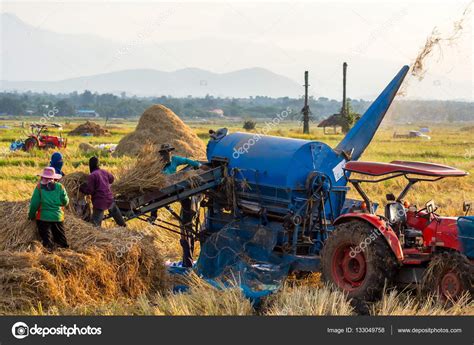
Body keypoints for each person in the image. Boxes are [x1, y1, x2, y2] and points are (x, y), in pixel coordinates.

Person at [148, 143, 202, 268]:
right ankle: (153, 215)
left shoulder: (175, 160)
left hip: (175, 188)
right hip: (163, 189)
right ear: (160, 155)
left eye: (167, 153)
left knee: (186, 200)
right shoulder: (157, 165)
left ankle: (187, 220)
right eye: (163, 153)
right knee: (153, 199)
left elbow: (188, 161)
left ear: (169, 153)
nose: (165, 155)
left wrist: (199, 165)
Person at [28, 167, 69, 250]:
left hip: (43, 218)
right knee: (61, 240)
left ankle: (49, 253)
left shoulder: (39, 188)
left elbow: (34, 204)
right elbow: (65, 201)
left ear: (42, 177)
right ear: (53, 178)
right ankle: (64, 253)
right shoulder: (60, 187)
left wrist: (31, 216)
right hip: (58, 217)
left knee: (47, 240)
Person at [80, 156, 126, 227]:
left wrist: (82, 188)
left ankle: (97, 235)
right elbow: (112, 179)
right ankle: (123, 226)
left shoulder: (92, 176)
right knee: (115, 211)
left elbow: (90, 191)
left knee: (95, 224)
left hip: (100, 202)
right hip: (109, 198)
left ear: (90, 166)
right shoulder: (104, 172)